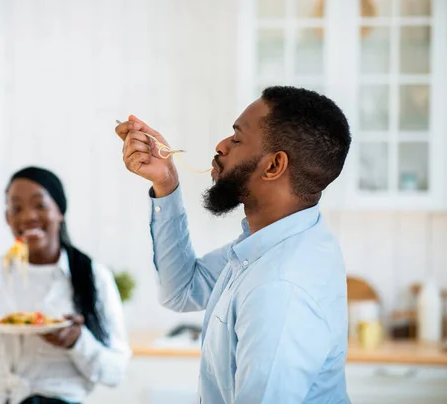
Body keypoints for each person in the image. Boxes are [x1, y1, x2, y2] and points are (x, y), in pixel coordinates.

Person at [115, 86, 352, 404]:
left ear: (273, 166)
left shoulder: (280, 288)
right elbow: (184, 289)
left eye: (237, 139)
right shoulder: (273, 242)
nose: (221, 146)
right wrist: (166, 181)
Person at [0, 167, 131, 404]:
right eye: (17, 208)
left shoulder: (93, 277)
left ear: (60, 211)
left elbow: (115, 373)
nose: (28, 217)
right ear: (8, 218)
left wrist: (77, 342)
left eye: (40, 205)